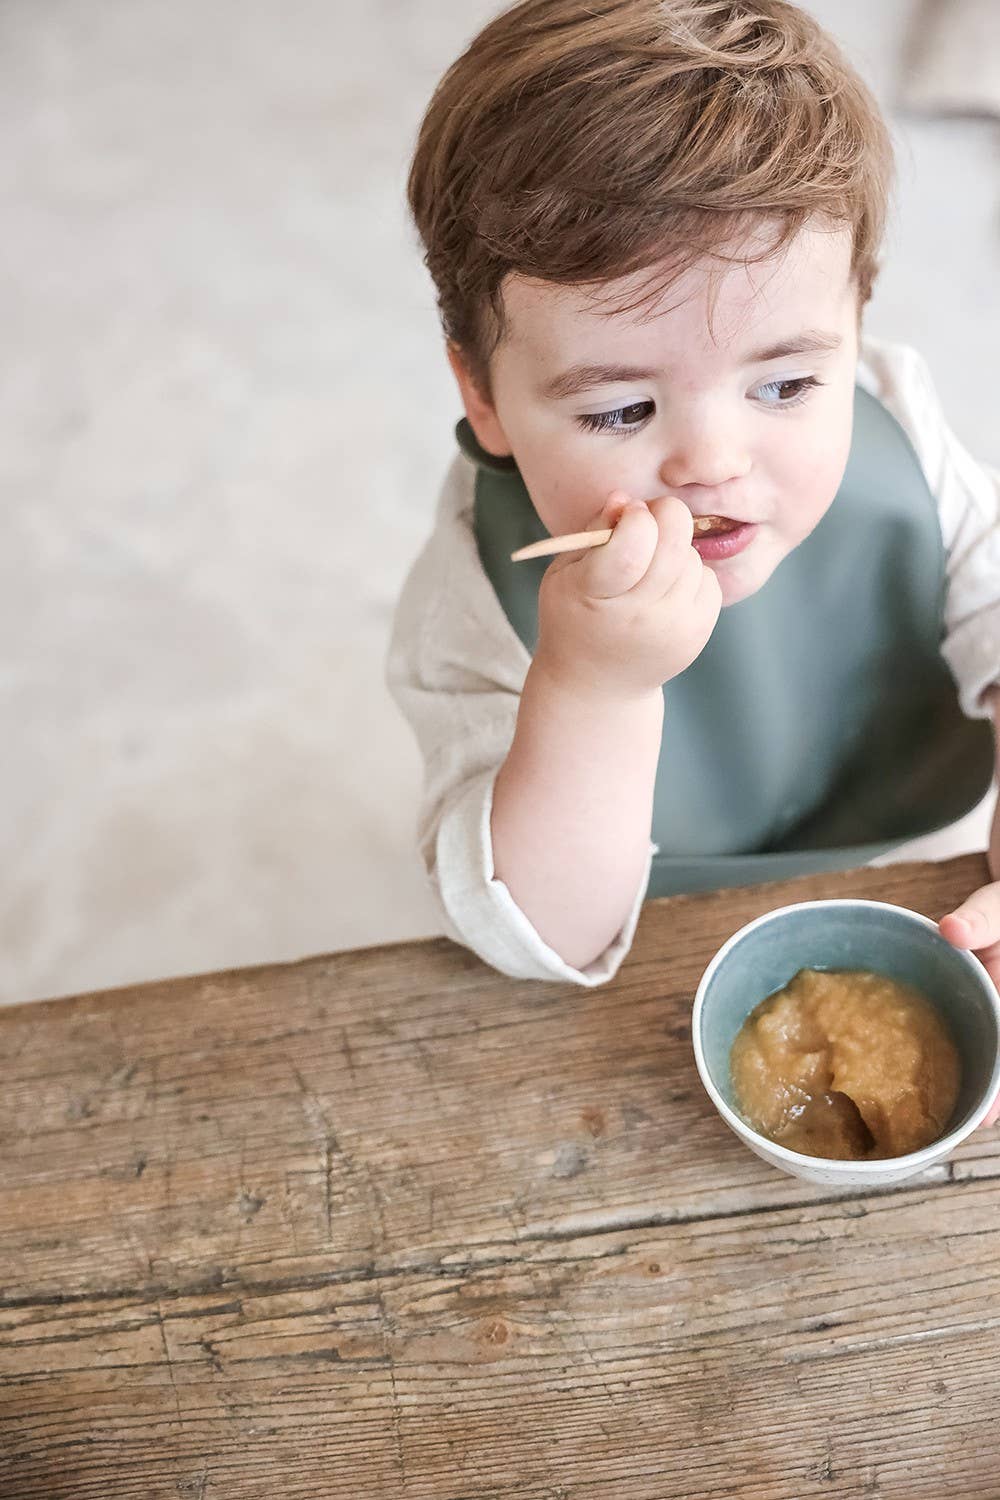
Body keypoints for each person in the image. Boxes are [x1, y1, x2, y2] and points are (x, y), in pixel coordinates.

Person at [387, 0, 1000, 1040]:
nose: (711, 464)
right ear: (482, 394)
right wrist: (592, 683)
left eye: (789, 383)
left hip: (910, 878)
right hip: (651, 938)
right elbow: (540, 935)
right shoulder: (472, 601)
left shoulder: (897, 418)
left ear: (856, 322)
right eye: (620, 408)